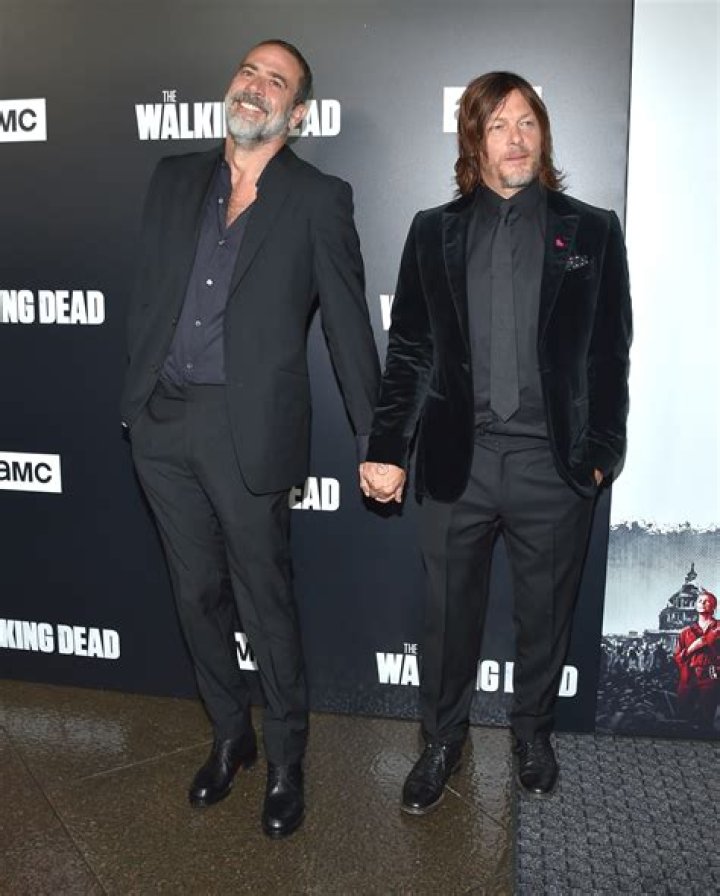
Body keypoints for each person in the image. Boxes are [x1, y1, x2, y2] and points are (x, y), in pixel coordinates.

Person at [122, 39, 380, 837]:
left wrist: (375, 438)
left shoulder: (318, 199)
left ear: (296, 114)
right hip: (162, 422)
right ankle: (230, 735)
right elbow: (148, 292)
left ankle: (286, 759)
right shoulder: (173, 178)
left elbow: (346, 325)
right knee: (195, 593)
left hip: (249, 431)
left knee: (265, 601)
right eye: (249, 72)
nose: (256, 87)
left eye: (277, 81)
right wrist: (137, 395)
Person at [360, 71, 632, 808]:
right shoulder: (432, 231)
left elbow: (609, 352)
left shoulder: (593, 230)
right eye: (498, 125)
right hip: (460, 460)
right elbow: (410, 349)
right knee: (447, 619)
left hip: (554, 462)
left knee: (545, 616)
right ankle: (441, 740)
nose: (516, 139)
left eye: (528, 123)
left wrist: (600, 455)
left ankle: (532, 733)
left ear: (544, 136)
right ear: (473, 141)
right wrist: (387, 446)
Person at [673, 590, 719, 731]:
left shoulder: (718, 629)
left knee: (706, 720)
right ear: (695, 605)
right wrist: (693, 647)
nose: (703, 603)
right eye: (700, 601)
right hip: (689, 678)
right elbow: (677, 658)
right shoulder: (686, 632)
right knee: (685, 719)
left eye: (707, 601)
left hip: (711, 678)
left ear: (714, 606)